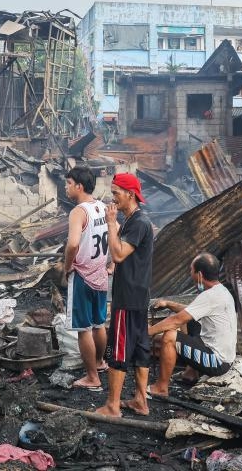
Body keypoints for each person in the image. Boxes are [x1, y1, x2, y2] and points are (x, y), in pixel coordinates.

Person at [96, 173, 155, 417]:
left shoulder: (139, 222)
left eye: (116, 193)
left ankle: (112, 405)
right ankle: (141, 401)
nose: (113, 198)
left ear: (130, 194)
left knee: (118, 351)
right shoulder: (133, 220)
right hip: (138, 295)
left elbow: (119, 255)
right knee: (141, 349)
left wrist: (110, 223)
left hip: (128, 297)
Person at [147, 253, 237, 397]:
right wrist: (168, 304)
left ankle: (161, 388)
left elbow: (175, 321)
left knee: (170, 336)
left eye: (191, 270)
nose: (190, 273)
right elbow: (190, 311)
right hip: (223, 355)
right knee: (191, 320)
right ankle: (190, 373)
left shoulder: (210, 296)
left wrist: (147, 332)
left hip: (218, 363)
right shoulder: (220, 291)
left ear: (199, 274)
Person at [62, 166, 110, 391]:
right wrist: (112, 263)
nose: (66, 187)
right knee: (99, 323)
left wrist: (67, 267)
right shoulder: (102, 207)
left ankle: (92, 378)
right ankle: (100, 363)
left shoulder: (78, 212)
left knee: (84, 329)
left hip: (82, 274)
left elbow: (72, 244)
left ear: (79, 186)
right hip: (100, 273)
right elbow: (115, 232)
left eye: (68, 183)